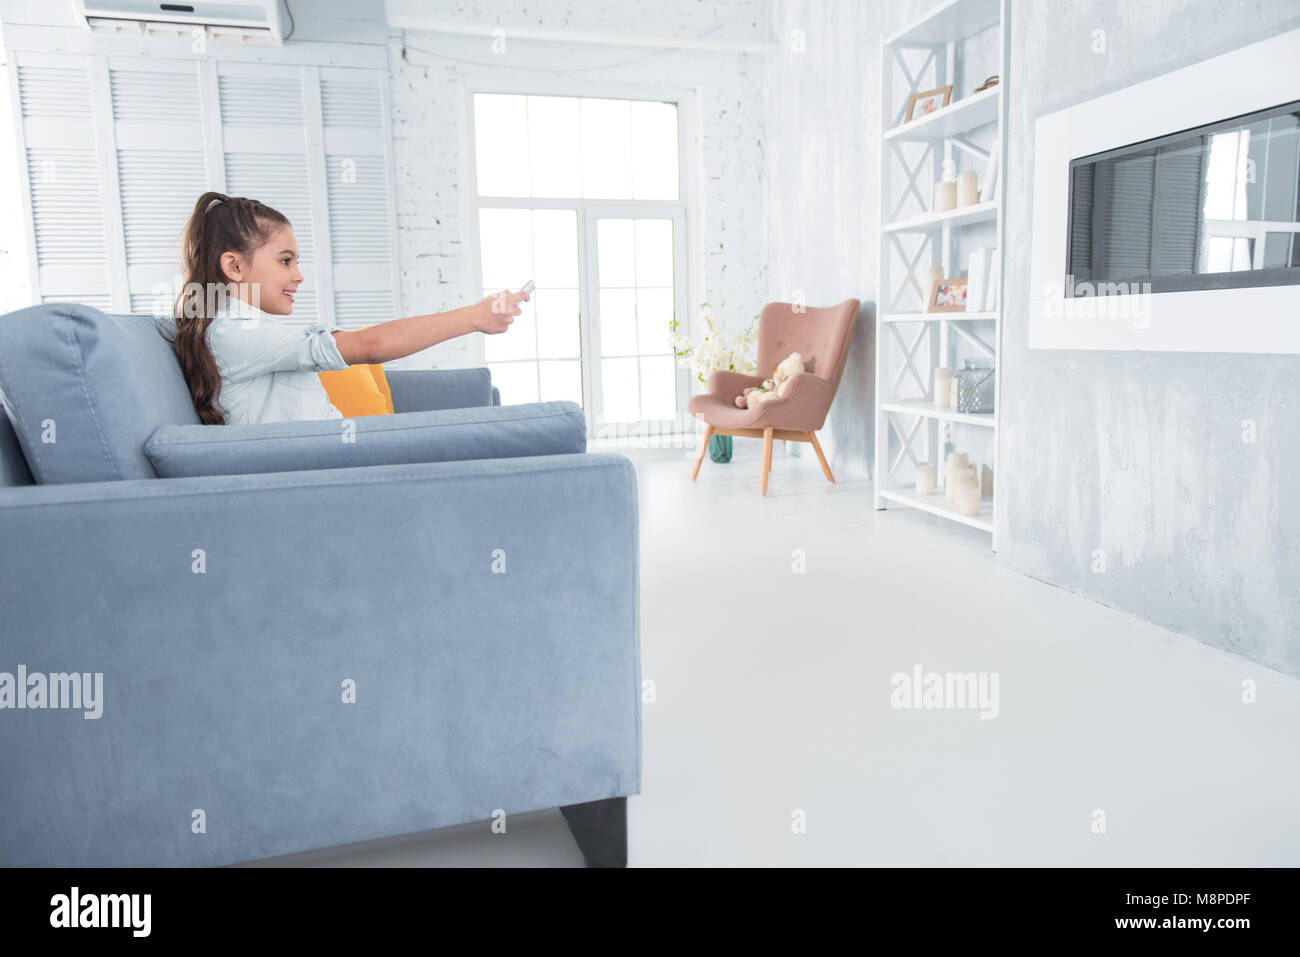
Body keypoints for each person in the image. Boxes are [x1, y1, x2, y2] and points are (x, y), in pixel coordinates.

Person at [170, 191, 528, 425]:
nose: (298, 276)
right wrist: (475, 317)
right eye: (285, 261)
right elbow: (368, 346)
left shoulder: (243, 328)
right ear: (234, 267)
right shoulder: (233, 331)